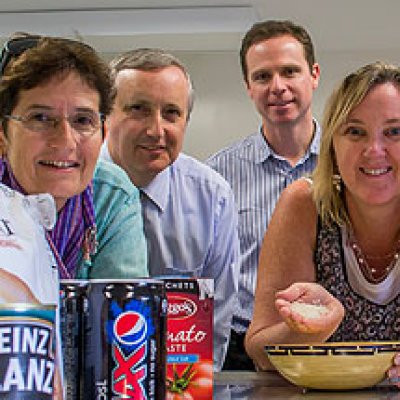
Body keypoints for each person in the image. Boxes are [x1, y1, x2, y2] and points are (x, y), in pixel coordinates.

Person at [245, 61, 400, 387]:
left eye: (394, 132)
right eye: (354, 131)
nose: (375, 151)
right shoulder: (305, 204)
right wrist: (311, 327)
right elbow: (259, 349)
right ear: (332, 143)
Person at [100, 47, 240, 371]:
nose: (156, 130)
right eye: (139, 110)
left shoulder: (212, 198)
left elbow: (214, 326)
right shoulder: (75, 186)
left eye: (171, 113)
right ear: (106, 115)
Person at [206, 20, 321, 369]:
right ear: (248, 86)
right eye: (262, 77)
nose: (278, 87)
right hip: (243, 351)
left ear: (313, 75)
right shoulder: (216, 176)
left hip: (330, 343)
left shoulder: (350, 166)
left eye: (289, 71)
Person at [0, 33, 148, 279]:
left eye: (82, 120)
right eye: (41, 118)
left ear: (103, 133)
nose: (65, 141)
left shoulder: (110, 195)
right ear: (3, 135)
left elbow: (120, 310)